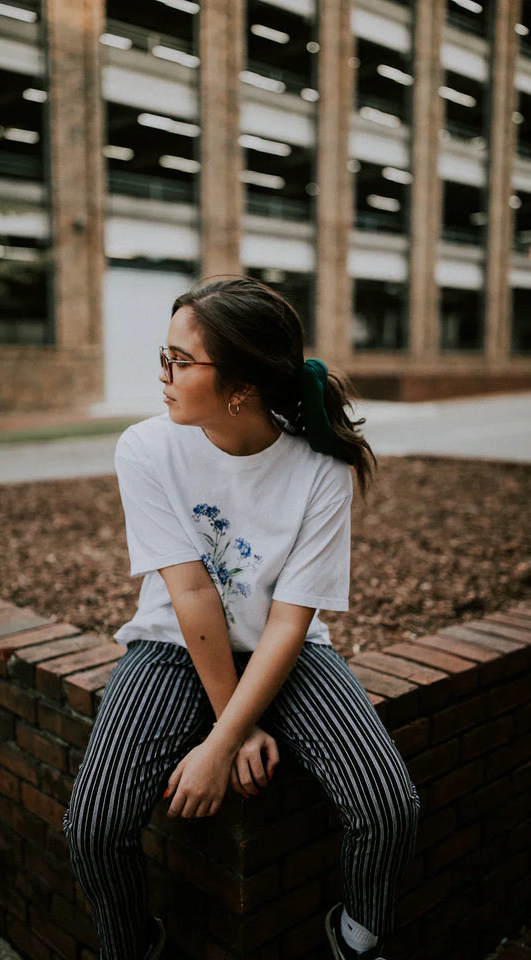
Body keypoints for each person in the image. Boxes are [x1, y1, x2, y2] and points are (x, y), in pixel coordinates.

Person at [63, 277, 420, 960]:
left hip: (291, 652)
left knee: (388, 806)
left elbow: (289, 622)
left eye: (180, 361)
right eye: (163, 357)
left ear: (242, 386)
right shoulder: (147, 447)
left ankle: (359, 940)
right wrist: (239, 730)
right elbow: (191, 594)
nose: (162, 376)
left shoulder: (320, 469)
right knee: (93, 827)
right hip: (170, 646)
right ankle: (130, 948)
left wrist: (222, 742)